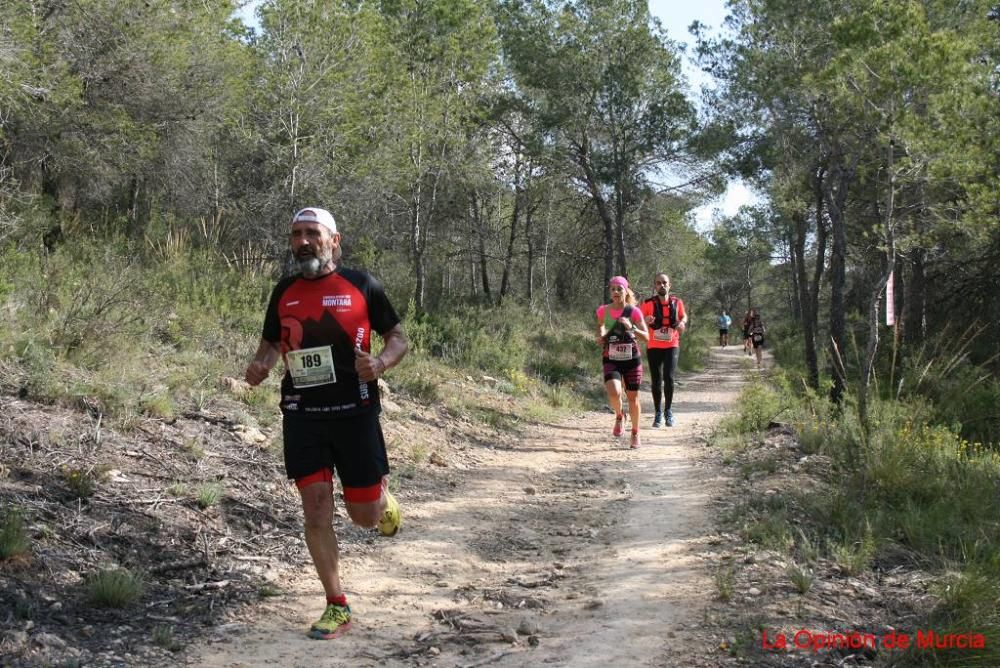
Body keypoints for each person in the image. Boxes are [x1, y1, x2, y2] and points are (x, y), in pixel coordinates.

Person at [243, 207, 408, 640]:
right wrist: (260, 366)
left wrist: (381, 362)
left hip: (355, 413)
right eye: (296, 234)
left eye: (311, 233)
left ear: (334, 240)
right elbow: (271, 346)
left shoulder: (362, 285)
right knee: (316, 507)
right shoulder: (285, 290)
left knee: (365, 517)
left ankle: (382, 496)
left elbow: (398, 338)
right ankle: (337, 604)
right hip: (303, 414)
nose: (302, 241)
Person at [596, 276, 649, 448]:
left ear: (626, 291)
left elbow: (647, 337)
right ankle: (619, 416)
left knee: (633, 398)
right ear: (609, 292)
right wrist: (601, 336)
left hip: (631, 358)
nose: (616, 292)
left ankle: (635, 432)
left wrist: (631, 327)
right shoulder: (603, 310)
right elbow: (601, 326)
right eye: (613, 289)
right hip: (611, 357)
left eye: (620, 289)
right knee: (614, 391)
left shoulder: (634, 311)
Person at [640, 274, 687, 428]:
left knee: (669, 377)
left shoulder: (677, 302)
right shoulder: (647, 303)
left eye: (664, 283)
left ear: (669, 285)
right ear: (655, 286)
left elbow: (683, 316)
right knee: (656, 379)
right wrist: (645, 321)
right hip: (653, 345)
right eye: (658, 283)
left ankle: (668, 411)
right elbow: (638, 321)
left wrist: (682, 323)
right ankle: (657, 412)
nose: (662, 285)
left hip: (672, 344)